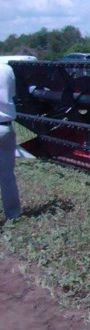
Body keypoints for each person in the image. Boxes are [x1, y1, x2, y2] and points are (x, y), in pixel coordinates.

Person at [0, 62, 21, 221]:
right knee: (7, 176)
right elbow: (11, 94)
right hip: (5, 127)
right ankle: (13, 215)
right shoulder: (7, 69)